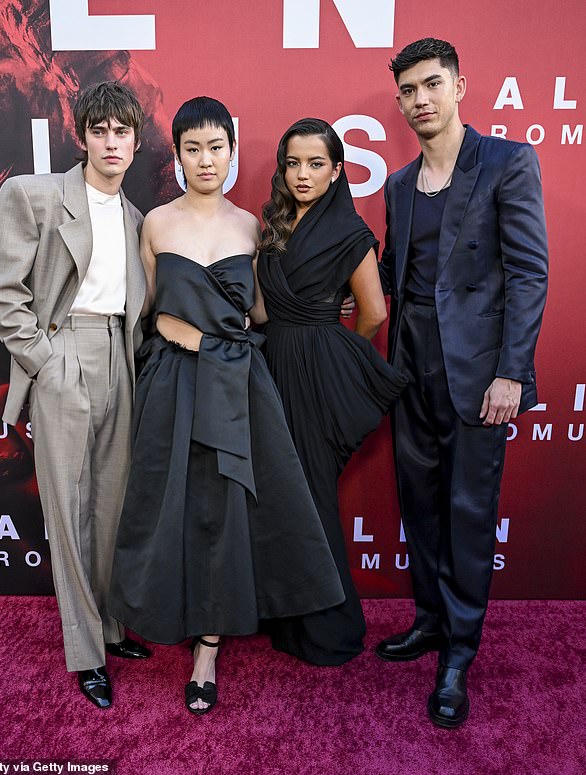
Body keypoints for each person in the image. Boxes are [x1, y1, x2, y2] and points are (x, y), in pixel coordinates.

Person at [109, 97, 345, 715]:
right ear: (179, 155)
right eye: (193, 148)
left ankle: (208, 648)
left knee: (223, 509)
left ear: (233, 153)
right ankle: (169, 612)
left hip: (237, 384)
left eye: (217, 147)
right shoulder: (155, 223)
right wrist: (179, 334)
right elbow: (148, 308)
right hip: (173, 382)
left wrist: (326, 309)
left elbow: (261, 312)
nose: (205, 159)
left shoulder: (251, 225)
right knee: (171, 505)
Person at [376, 38, 548, 728]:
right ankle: (428, 619)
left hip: (478, 369)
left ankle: (460, 649)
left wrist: (512, 371)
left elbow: (530, 273)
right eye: (408, 90)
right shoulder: (395, 185)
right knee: (419, 501)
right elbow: (393, 278)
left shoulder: (507, 162)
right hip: (409, 361)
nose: (420, 99)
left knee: (469, 509)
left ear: (459, 86)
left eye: (431, 84)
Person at [0, 82, 152, 711]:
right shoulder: (37, 195)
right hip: (64, 356)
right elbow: (5, 290)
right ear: (81, 136)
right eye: (100, 130)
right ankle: (86, 653)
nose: (112, 143)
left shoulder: (138, 219)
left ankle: (110, 626)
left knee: (111, 508)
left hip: (121, 357)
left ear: (136, 142)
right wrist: (43, 361)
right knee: (69, 510)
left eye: (122, 132)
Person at [256, 118, 407, 666]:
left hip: (316, 374)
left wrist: (331, 346)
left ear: (338, 170)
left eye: (316, 164)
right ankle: (282, 617)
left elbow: (373, 313)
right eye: (292, 163)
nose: (302, 174)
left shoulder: (348, 231)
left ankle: (328, 628)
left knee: (313, 496)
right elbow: (262, 309)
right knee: (279, 494)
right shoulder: (270, 225)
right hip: (270, 365)